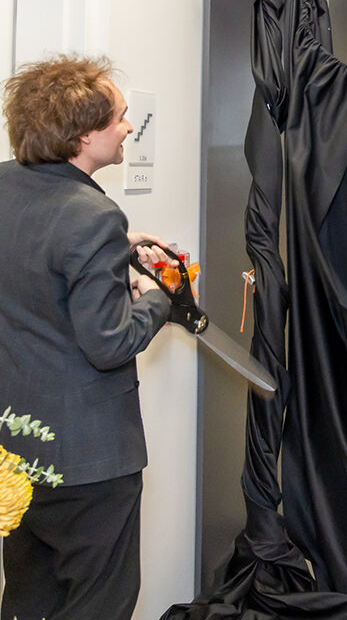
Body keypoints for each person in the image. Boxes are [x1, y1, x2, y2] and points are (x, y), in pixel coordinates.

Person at [0, 54, 174, 620]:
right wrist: (161, 299)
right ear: (83, 136)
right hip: (89, 462)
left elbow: (34, 262)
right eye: (120, 119)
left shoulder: (5, 187)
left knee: (29, 597)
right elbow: (110, 343)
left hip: (17, 449)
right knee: (99, 602)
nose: (128, 127)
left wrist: (113, 253)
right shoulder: (94, 216)